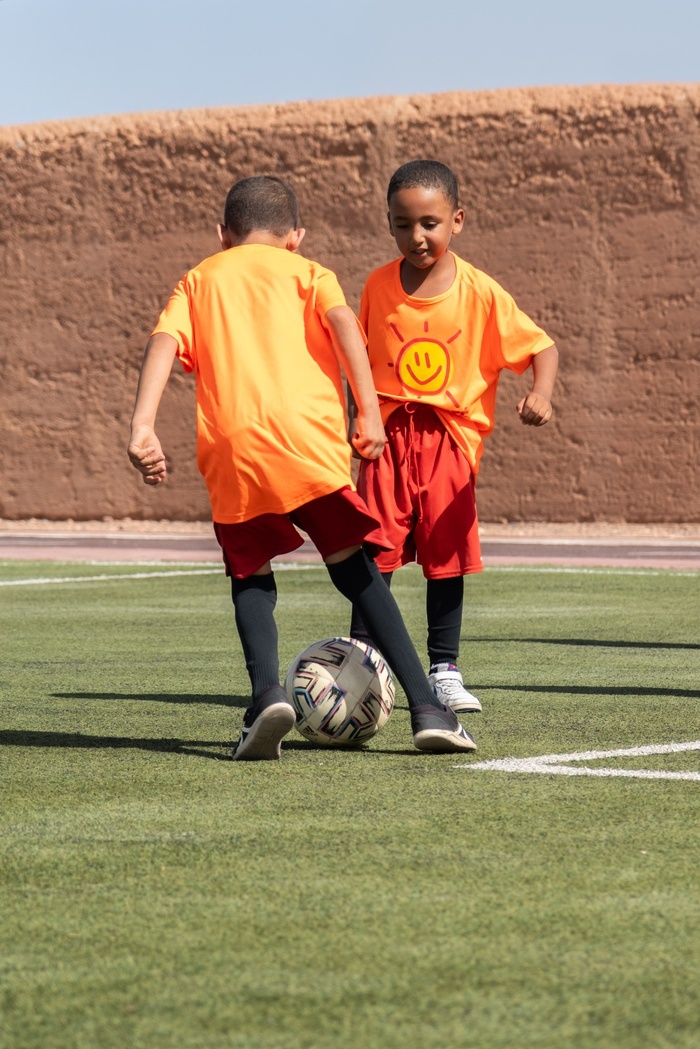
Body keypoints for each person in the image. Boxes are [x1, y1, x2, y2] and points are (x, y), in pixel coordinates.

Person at [128, 175, 477, 760]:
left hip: (234, 447)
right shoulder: (312, 273)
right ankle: (428, 707)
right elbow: (345, 328)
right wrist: (368, 413)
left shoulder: (199, 279)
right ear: (295, 237)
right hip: (307, 443)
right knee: (354, 567)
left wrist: (143, 426)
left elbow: (164, 341)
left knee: (250, 572)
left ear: (223, 236)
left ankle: (267, 695)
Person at [350, 160, 559, 714]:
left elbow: (541, 346)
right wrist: (358, 421)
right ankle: (360, 667)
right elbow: (360, 361)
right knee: (374, 555)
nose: (415, 236)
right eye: (402, 224)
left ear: (457, 220)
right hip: (388, 440)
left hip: (448, 442)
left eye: (429, 223)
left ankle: (444, 669)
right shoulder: (375, 285)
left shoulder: (481, 292)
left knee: (446, 559)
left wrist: (542, 392)